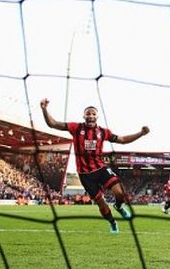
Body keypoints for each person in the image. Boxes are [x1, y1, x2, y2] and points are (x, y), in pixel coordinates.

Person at [40, 98, 149, 234]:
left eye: (93, 114)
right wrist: (44, 109)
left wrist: (141, 133)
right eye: (88, 113)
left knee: (120, 193)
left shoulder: (103, 132)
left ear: (97, 116)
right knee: (101, 202)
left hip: (101, 169)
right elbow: (53, 124)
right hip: (85, 175)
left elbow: (122, 140)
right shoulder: (76, 128)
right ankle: (112, 222)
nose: (90, 116)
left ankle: (119, 207)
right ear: (84, 116)